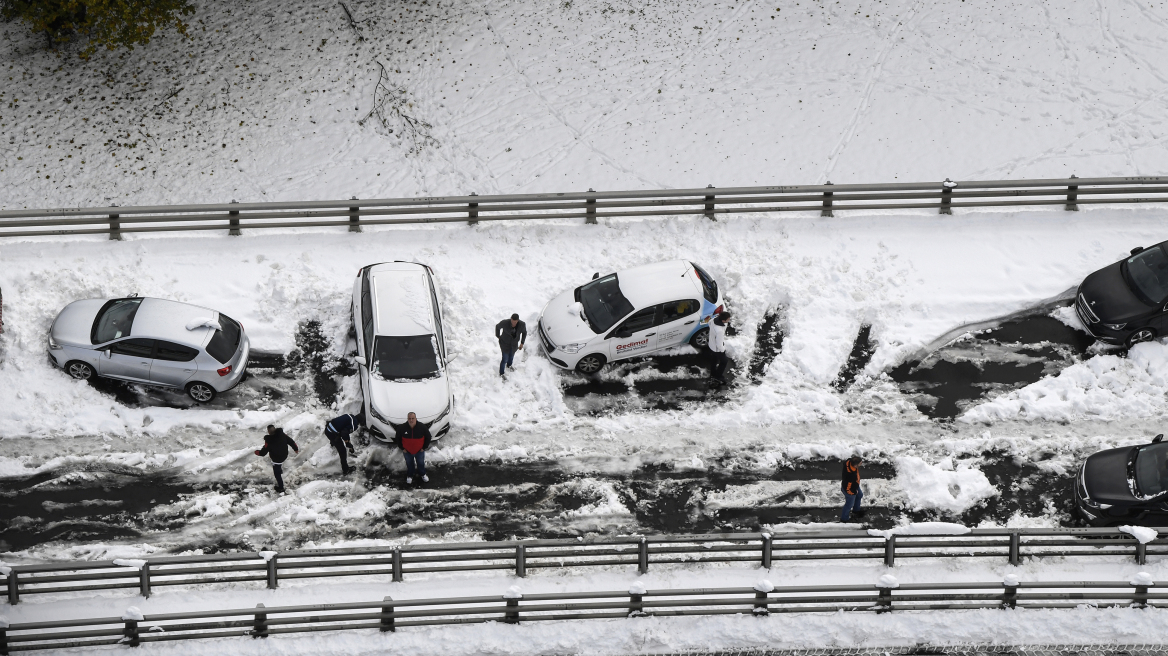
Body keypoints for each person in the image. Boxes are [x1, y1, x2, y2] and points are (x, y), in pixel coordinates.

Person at [254, 425, 300, 493]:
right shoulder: (282, 435)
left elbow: (263, 453)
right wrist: (296, 449)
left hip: (276, 459)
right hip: (284, 455)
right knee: (279, 465)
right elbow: (291, 441)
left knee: (277, 474)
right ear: (275, 429)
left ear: (268, 432)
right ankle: (280, 470)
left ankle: (281, 488)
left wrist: (256, 452)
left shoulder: (269, 441)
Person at [394, 411, 432, 484]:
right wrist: (402, 448)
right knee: (409, 464)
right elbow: (398, 438)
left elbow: (428, 437)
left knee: (420, 463)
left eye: (413, 418)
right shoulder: (402, 428)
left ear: (416, 418)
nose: (411, 420)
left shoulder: (422, 427)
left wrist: (424, 447)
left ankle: (423, 474)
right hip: (407, 452)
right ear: (407, 419)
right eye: (409, 418)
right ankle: (410, 475)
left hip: (419, 451)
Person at [495, 313, 527, 377]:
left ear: (517, 320)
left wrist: (522, 343)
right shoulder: (505, 323)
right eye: (512, 321)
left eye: (515, 322)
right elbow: (497, 327)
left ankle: (509, 365)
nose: (513, 323)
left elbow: (524, 333)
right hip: (505, 344)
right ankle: (501, 373)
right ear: (511, 319)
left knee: (511, 356)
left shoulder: (522, 325)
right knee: (504, 359)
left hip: (514, 344)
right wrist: (498, 336)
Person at [840, 455, 867, 522]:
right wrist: (854, 492)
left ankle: (856, 511)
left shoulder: (849, 462)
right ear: (855, 465)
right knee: (849, 505)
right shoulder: (851, 476)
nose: (861, 463)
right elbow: (848, 489)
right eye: (860, 463)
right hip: (850, 490)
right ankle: (844, 519)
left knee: (859, 495)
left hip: (854, 486)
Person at [709, 311, 731, 384]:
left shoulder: (713, 320)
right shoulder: (719, 331)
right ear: (723, 320)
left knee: (714, 359)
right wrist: (722, 350)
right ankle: (718, 376)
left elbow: (709, 322)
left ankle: (713, 372)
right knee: (724, 361)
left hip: (711, 345)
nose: (729, 319)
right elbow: (719, 344)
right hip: (717, 349)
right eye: (728, 319)